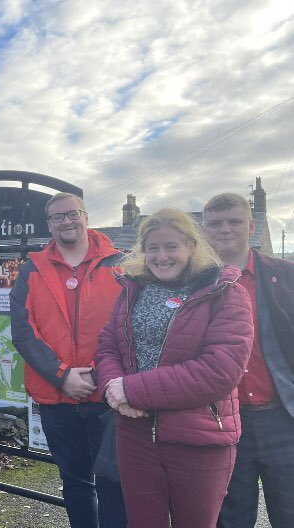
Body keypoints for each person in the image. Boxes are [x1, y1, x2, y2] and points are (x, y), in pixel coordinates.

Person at [95, 208, 253, 528]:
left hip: (198, 439)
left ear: (192, 247)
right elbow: (108, 347)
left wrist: (132, 391)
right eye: (152, 247)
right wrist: (115, 389)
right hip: (134, 434)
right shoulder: (132, 289)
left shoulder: (225, 292)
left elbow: (219, 370)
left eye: (171, 246)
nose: (161, 256)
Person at [9, 192, 127, 527]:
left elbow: (127, 327)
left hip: (107, 396)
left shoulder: (120, 263)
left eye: (72, 214)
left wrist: (97, 376)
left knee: (113, 484)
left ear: (86, 217)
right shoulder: (32, 269)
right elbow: (23, 332)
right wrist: (62, 375)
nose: (66, 222)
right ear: (49, 224)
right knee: (75, 483)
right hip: (55, 396)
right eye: (57, 217)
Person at [202, 193, 294, 527]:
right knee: (231, 518)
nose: (225, 230)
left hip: (281, 418)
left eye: (234, 221)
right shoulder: (194, 282)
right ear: (204, 229)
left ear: (252, 226)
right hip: (222, 421)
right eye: (215, 223)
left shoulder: (286, 275)